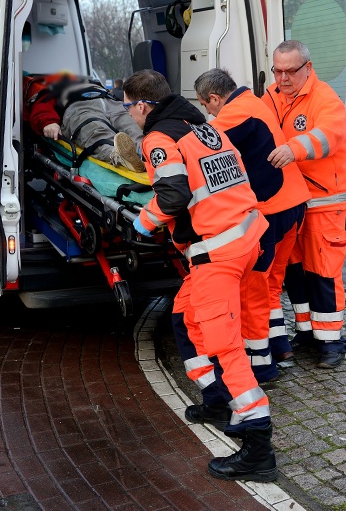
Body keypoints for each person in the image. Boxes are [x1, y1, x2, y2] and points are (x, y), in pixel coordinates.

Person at [124, 69, 276, 482]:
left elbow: (173, 195)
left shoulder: (158, 139)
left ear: (141, 106)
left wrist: (143, 221)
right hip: (247, 237)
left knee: (226, 349)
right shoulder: (202, 125)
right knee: (184, 318)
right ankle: (215, 399)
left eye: (127, 108)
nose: (130, 116)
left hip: (218, 254)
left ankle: (259, 449)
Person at [194, 68, 310, 376]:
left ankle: (261, 364)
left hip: (272, 209)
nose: (207, 112)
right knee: (272, 284)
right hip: (293, 202)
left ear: (215, 98)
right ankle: (280, 346)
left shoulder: (236, 111)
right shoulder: (254, 101)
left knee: (254, 289)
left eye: (206, 105)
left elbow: (200, 145)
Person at [263, 40, 346, 369]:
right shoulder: (271, 97)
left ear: (308, 68)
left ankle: (331, 341)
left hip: (323, 200)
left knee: (323, 270)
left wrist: (294, 148)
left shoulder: (324, 98)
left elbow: (330, 135)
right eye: (278, 70)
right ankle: (305, 331)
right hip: (290, 200)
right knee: (294, 270)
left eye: (290, 71)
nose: (283, 78)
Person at [24, 74, 145, 172]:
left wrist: (47, 121)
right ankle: (120, 156)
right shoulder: (45, 87)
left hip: (104, 99)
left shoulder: (56, 84)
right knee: (97, 129)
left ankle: (145, 153)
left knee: (130, 127)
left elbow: (41, 105)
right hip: (86, 104)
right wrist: (48, 122)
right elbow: (42, 105)